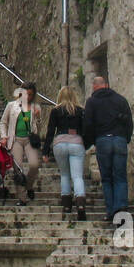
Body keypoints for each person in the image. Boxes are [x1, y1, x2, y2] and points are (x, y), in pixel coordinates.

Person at [85, 76, 134, 222]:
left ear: (94, 86)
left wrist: (91, 141)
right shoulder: (120, 100)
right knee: (120, 176)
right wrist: (126, 138)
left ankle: (111, 210)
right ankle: (121, 207)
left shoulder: (92, 102)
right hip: (119, 140)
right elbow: (129, 121)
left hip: (103, 140)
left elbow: (87, 124)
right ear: (106, 85)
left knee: (106, 178)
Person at [0, 82, 42, 205]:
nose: (27, 97)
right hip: (15, 139)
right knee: (18, 168)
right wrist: (4, 136)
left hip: (29, 139)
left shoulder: (36, 107)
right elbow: (3, 122)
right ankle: (22, 198)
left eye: (30, 95)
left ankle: (28, 185)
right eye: (24, 94)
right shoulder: (11, 106)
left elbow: (38, 127)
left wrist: (38, 118)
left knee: (34, 164)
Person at [47, 86, 87, 219]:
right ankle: (80, 204)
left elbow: (50, 131)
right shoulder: (81, 111)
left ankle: (67, 205)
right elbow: (85, 129)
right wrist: (85, 143)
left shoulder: (55, 110)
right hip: (76, 142)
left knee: (64, 175)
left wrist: (45, 151)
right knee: (77, 176)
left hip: (60, 142)